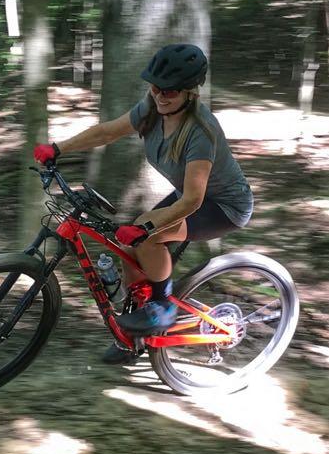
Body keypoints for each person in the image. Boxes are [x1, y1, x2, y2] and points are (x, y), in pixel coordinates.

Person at [33, 43, 254, 364]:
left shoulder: (201, 132)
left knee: (147, 234)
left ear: (191, 92)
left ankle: (163, 306)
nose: (161, 96)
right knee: (130, 249)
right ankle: (133, 337)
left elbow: (194, 199)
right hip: (190, 196)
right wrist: (59, 148)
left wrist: (150, 226)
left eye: (171, 91)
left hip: (224, 206)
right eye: (155, 88)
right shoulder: (151, 109)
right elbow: (106, 132)